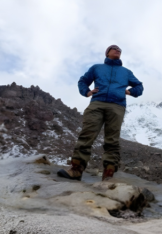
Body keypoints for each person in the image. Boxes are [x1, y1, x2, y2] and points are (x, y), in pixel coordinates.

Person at [57, 45, 143, 181]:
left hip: (117, 106)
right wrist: (87, 92)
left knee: (112, 141)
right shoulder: (97, 68)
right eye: (114, 48)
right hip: (97, 103)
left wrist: (129, 91)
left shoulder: (126, 72)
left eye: (119, 49)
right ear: (107, 53)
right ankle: (76, 170)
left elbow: (139, 86)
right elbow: (83, 81)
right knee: (86, 135)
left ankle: (108, 177)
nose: (117, 50)